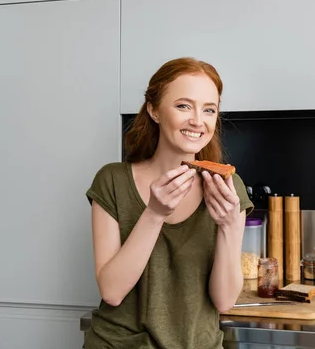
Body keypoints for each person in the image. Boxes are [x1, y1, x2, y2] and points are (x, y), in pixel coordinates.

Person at [83, 57, 254, 349]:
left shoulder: (228, 187)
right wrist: (154, 213)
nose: (198, 121)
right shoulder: (112, 180)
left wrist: (228, 226)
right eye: (183, 105)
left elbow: (225, 301)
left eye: (209, 110)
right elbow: (111, 291)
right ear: (154, 110)